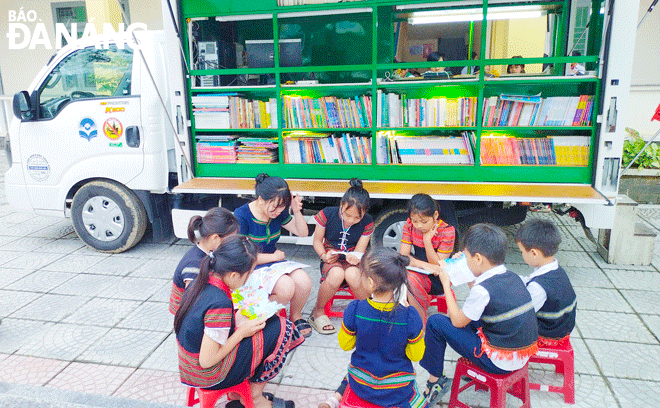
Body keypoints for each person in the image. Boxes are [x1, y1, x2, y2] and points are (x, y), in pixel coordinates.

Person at [174, 235, 304, 408]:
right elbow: (207, 360)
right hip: (207, 374)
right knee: (284, 328)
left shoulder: (199, 281)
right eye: (249, 273)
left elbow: (200, 327)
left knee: (270, 325)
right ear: (234, 274)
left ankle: (240, 392)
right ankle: (254, 398)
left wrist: (236, 322)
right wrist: (241, 332)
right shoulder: (219, 303)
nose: (249, 278)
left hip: (188, 365)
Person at [420, 224, 538, 406]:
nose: (465, 260)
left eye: (466, 257)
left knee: (436, 321)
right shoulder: (512, 276)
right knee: (473, 317)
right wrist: (466, 269)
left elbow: (458, 322)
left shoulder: (482, 290)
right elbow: (480, 298)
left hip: (498, 363)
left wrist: (445, 284)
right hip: (520, 355)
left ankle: (435, 382)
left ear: (478, 258)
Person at [339, 248, 427, 408]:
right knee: (421, 403)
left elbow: (345, 345)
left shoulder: (355, 309)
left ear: (371, 283)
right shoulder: (410, 316)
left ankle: (334, 399)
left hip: (361, 383)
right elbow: (416, 355)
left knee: (348, 375)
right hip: (397, 389)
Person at [234, 173, 313, 337]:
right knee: (286, 287)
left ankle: (295, 316)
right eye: (274, 206)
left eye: (282, 207)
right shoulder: (242, 215)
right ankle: (254, 317)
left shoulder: (279, 211)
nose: (278, 211)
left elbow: (302, 232)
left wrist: (297, 211)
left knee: (304, 281)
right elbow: (240, 255)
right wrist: (274, 257)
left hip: (272, 263)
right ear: (261, 199)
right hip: (250, 266)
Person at [308, 178, 373, 335]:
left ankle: (370, 312)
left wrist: (355, 257)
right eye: (347, 214)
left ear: (364, 212)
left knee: (353, 274)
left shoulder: (367, 222)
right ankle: (318, 312)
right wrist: (324, 255)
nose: (351, 220)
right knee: (337, 274)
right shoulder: (327, 214)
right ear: (341, 205)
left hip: (352, 261)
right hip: (330, 258)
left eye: (357, 217)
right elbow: (317, 241)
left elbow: (360, 250)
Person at [515, 219, 577, 346]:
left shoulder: (538, 288)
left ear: (533, 253)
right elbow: (528, 280)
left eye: (521, 251)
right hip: (561, 326)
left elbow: (521, 315)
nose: (522, 254)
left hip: (548, 334)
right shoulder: (555, 269)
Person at [170, 207, 239, 315]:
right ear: (215, 238)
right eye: (230, 239)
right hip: (189, 315)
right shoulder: (194, 266)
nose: (232, 243)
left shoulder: (209, 251)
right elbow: (193, 302)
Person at [401, 194, 456, 326]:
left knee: (409, 280)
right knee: (400, 275)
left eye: (424, 221)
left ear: (435, 215)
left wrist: (427, 240)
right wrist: (416, 263)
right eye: (415, 221)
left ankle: (419, 324)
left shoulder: (447, 231)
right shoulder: (409, 226)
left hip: (438, 278)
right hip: (419, 269)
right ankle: (412, 316)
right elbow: (403, 256)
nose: (419, 226)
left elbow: (438, 266)